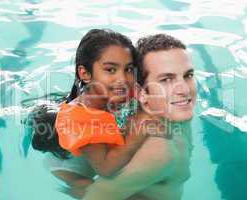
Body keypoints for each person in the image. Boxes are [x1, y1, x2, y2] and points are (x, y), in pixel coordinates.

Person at [27, 29, 146, 199]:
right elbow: (105, 168)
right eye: (110, 70)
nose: (123, 78)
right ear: (85, 74)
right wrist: (139, 131)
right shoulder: (80, 119)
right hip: (69, 164)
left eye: (128, 69)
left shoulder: (119, 89)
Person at [82, 33, 196, 200]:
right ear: (141, 94)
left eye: (188, 75)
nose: (185, 90)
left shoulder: (174, 114)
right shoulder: (158, 152)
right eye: (166, 79)